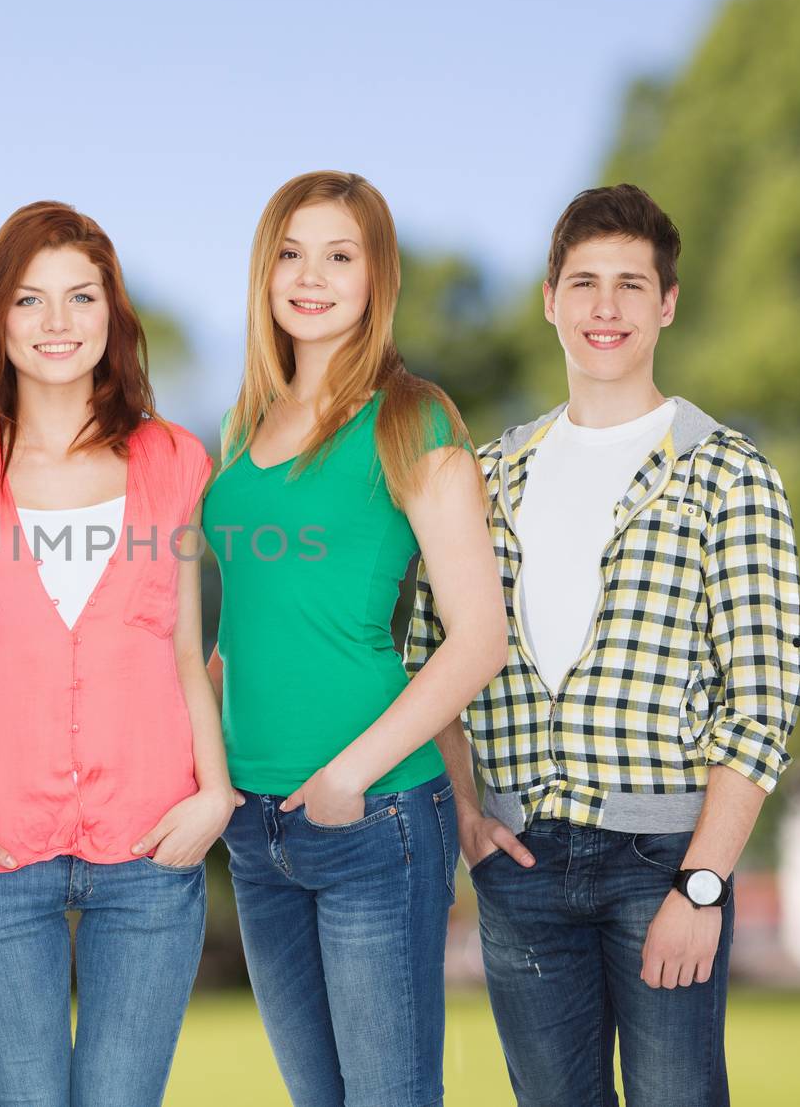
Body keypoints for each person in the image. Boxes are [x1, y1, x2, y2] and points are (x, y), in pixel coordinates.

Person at [410, 184, 800, 1106]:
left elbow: (762, 697)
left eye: (631, 285)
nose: (605, 307)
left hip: (661, 864)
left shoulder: (726, 474)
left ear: (666, 304)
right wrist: (469, 814)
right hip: (520, 864)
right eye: (583, 283)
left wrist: (702, 886)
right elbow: (433, 662)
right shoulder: (491, 475)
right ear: (550, 299)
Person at [0, 201, 234, 1107]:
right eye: (29, 300)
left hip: (151, 838)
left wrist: (213, 795)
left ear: (111, 315)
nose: (57, 323)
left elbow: (185, 648)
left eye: (80, 297)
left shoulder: (176, 461)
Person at [203, 171, 507, 1107]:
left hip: (374, 818)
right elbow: (234, 638)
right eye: (291, 254)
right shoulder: (240, 427)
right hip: (256, 827)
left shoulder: (412, 419)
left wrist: (346, 779)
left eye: (341, 256)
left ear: (378, 278)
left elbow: (479, 639)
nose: (312, 276)